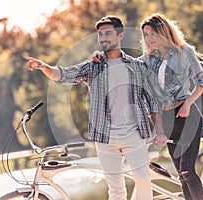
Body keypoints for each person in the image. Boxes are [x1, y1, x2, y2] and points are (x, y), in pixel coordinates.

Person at [26, 15, 164, 200]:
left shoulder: (137, 66)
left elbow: (153, 102)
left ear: (120, 35)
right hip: (105, 137)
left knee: (143, 179)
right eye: (100, 34)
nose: (103, 38)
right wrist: (44, 67)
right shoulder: (93, 67)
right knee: (116, 190)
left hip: (135, 134)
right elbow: (65, 74)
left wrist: (160, 131)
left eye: (108, 33)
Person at [139, 14, 203, 200]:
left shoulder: (184, 52)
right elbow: (127, 65)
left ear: (163, 32)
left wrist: (188, 103)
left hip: (188, 116)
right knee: (181, 175)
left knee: (187, 171)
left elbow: (202, 83)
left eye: (153, 34)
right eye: (146, 35)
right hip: (167, 119)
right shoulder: (147, 60)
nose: (149, 39)